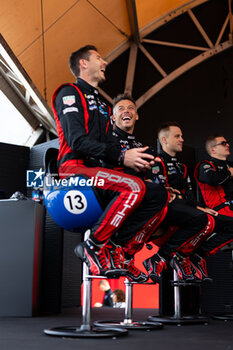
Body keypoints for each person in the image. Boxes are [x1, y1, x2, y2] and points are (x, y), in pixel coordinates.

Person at [52, 44, 169, 283]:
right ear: (83, 64)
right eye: (98, 58)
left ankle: (119, 249)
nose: (105, 62)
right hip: (74, 170)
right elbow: (76, 141)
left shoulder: (104, 107)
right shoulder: (69, 93)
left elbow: (111, 149)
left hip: (100, 171)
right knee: (134, 187)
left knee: (158, 194)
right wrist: (122, 157)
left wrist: (135, 161)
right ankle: (92, 245)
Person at [111, 97, 215, 283]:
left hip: (149, 200)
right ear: (112, 117)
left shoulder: (142, 148)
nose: (126, 111)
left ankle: (165, 258)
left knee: (202, 218)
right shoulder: (107, 142)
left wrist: (158, 187)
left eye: (130, 108)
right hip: (117, 198)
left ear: (137, 116)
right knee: (162, 200)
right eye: (121, 108)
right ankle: (126, 255)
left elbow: (154, 180)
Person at [148, 122, 233, 282]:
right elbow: (161, 192)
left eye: (182, 136)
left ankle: (188, 257)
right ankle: (166, 257)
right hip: (163, 214)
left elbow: (188, 195)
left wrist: (200, 207)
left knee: (210, 218)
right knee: (203, 219)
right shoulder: (156, 162)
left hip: (185, 211)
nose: (182, 139)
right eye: (177, 136)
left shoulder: (182, 167)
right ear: (164, 140)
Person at [195, 135, 233, 217]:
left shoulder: (230, 165)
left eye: (227, 143)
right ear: (213, 149)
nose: (227, 145)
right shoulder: (205, 165)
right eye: (223, 143)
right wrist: (229, 173)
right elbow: (212, 179)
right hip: (218, 209)